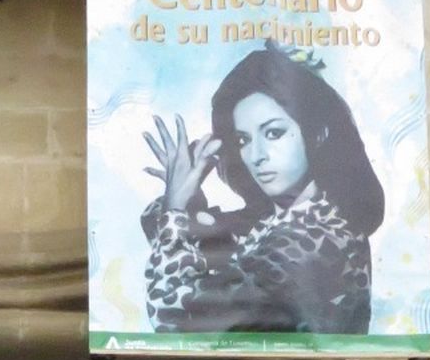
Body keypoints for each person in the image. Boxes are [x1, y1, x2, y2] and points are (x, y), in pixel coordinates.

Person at [143, 42, 385, 336]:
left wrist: (177, 208)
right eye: (243, 140)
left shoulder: (315, 237)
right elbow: (179, 237)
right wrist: (185, 202)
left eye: (273, 133)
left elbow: (178, 319)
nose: (257, 155)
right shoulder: (275, 223)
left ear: (317, 133)